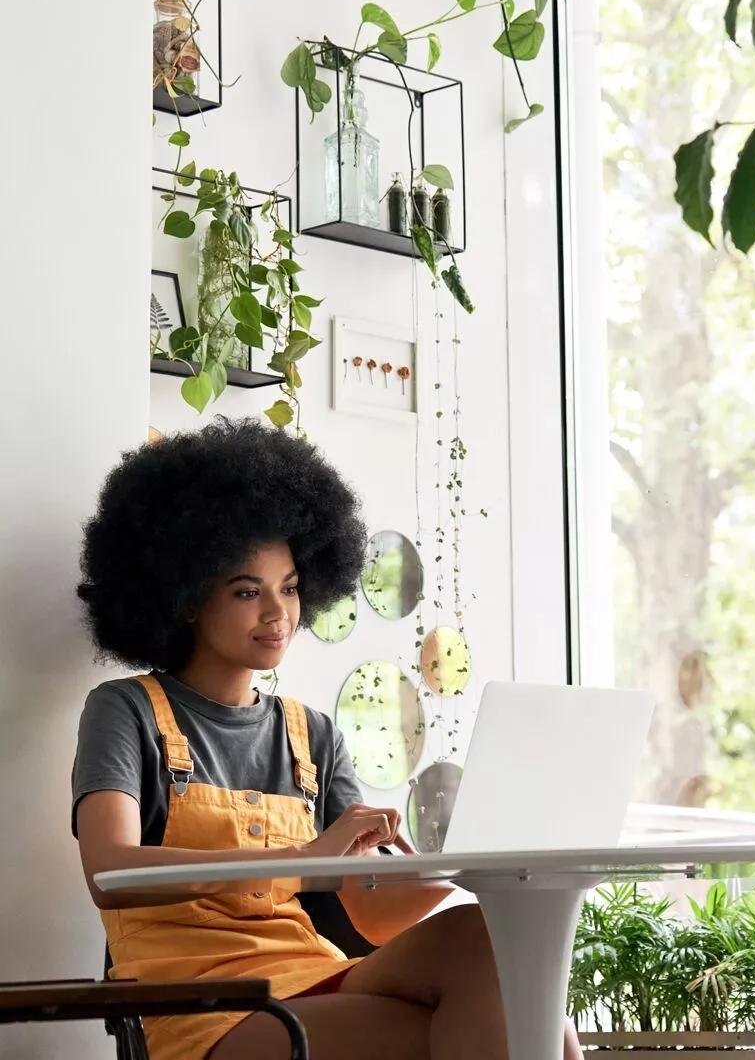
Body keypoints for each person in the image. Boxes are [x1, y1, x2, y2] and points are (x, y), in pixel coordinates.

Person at [73, 417, 584, 1060]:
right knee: (512, 1026)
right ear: (184, 599)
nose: (278, 613)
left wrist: (462, 863)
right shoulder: (126, 710)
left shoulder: (310, 732)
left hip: (312, 975)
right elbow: (110, 872)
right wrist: (309, 856)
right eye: (246, 591)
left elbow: (370, 917)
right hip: (201, 1009)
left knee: (496, 944)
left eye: (289, 588)